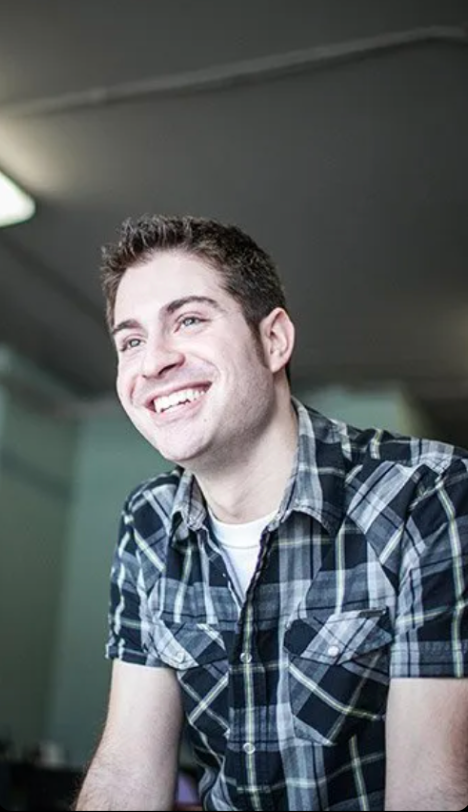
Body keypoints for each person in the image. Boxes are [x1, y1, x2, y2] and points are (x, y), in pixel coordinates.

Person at [75, 214, 468, 812]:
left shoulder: (427, 492)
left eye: (188, 319)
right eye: (130, 340)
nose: (152, 362)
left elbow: (432, 792)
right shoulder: (148, 521)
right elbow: (129, 771)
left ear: (275, 340)